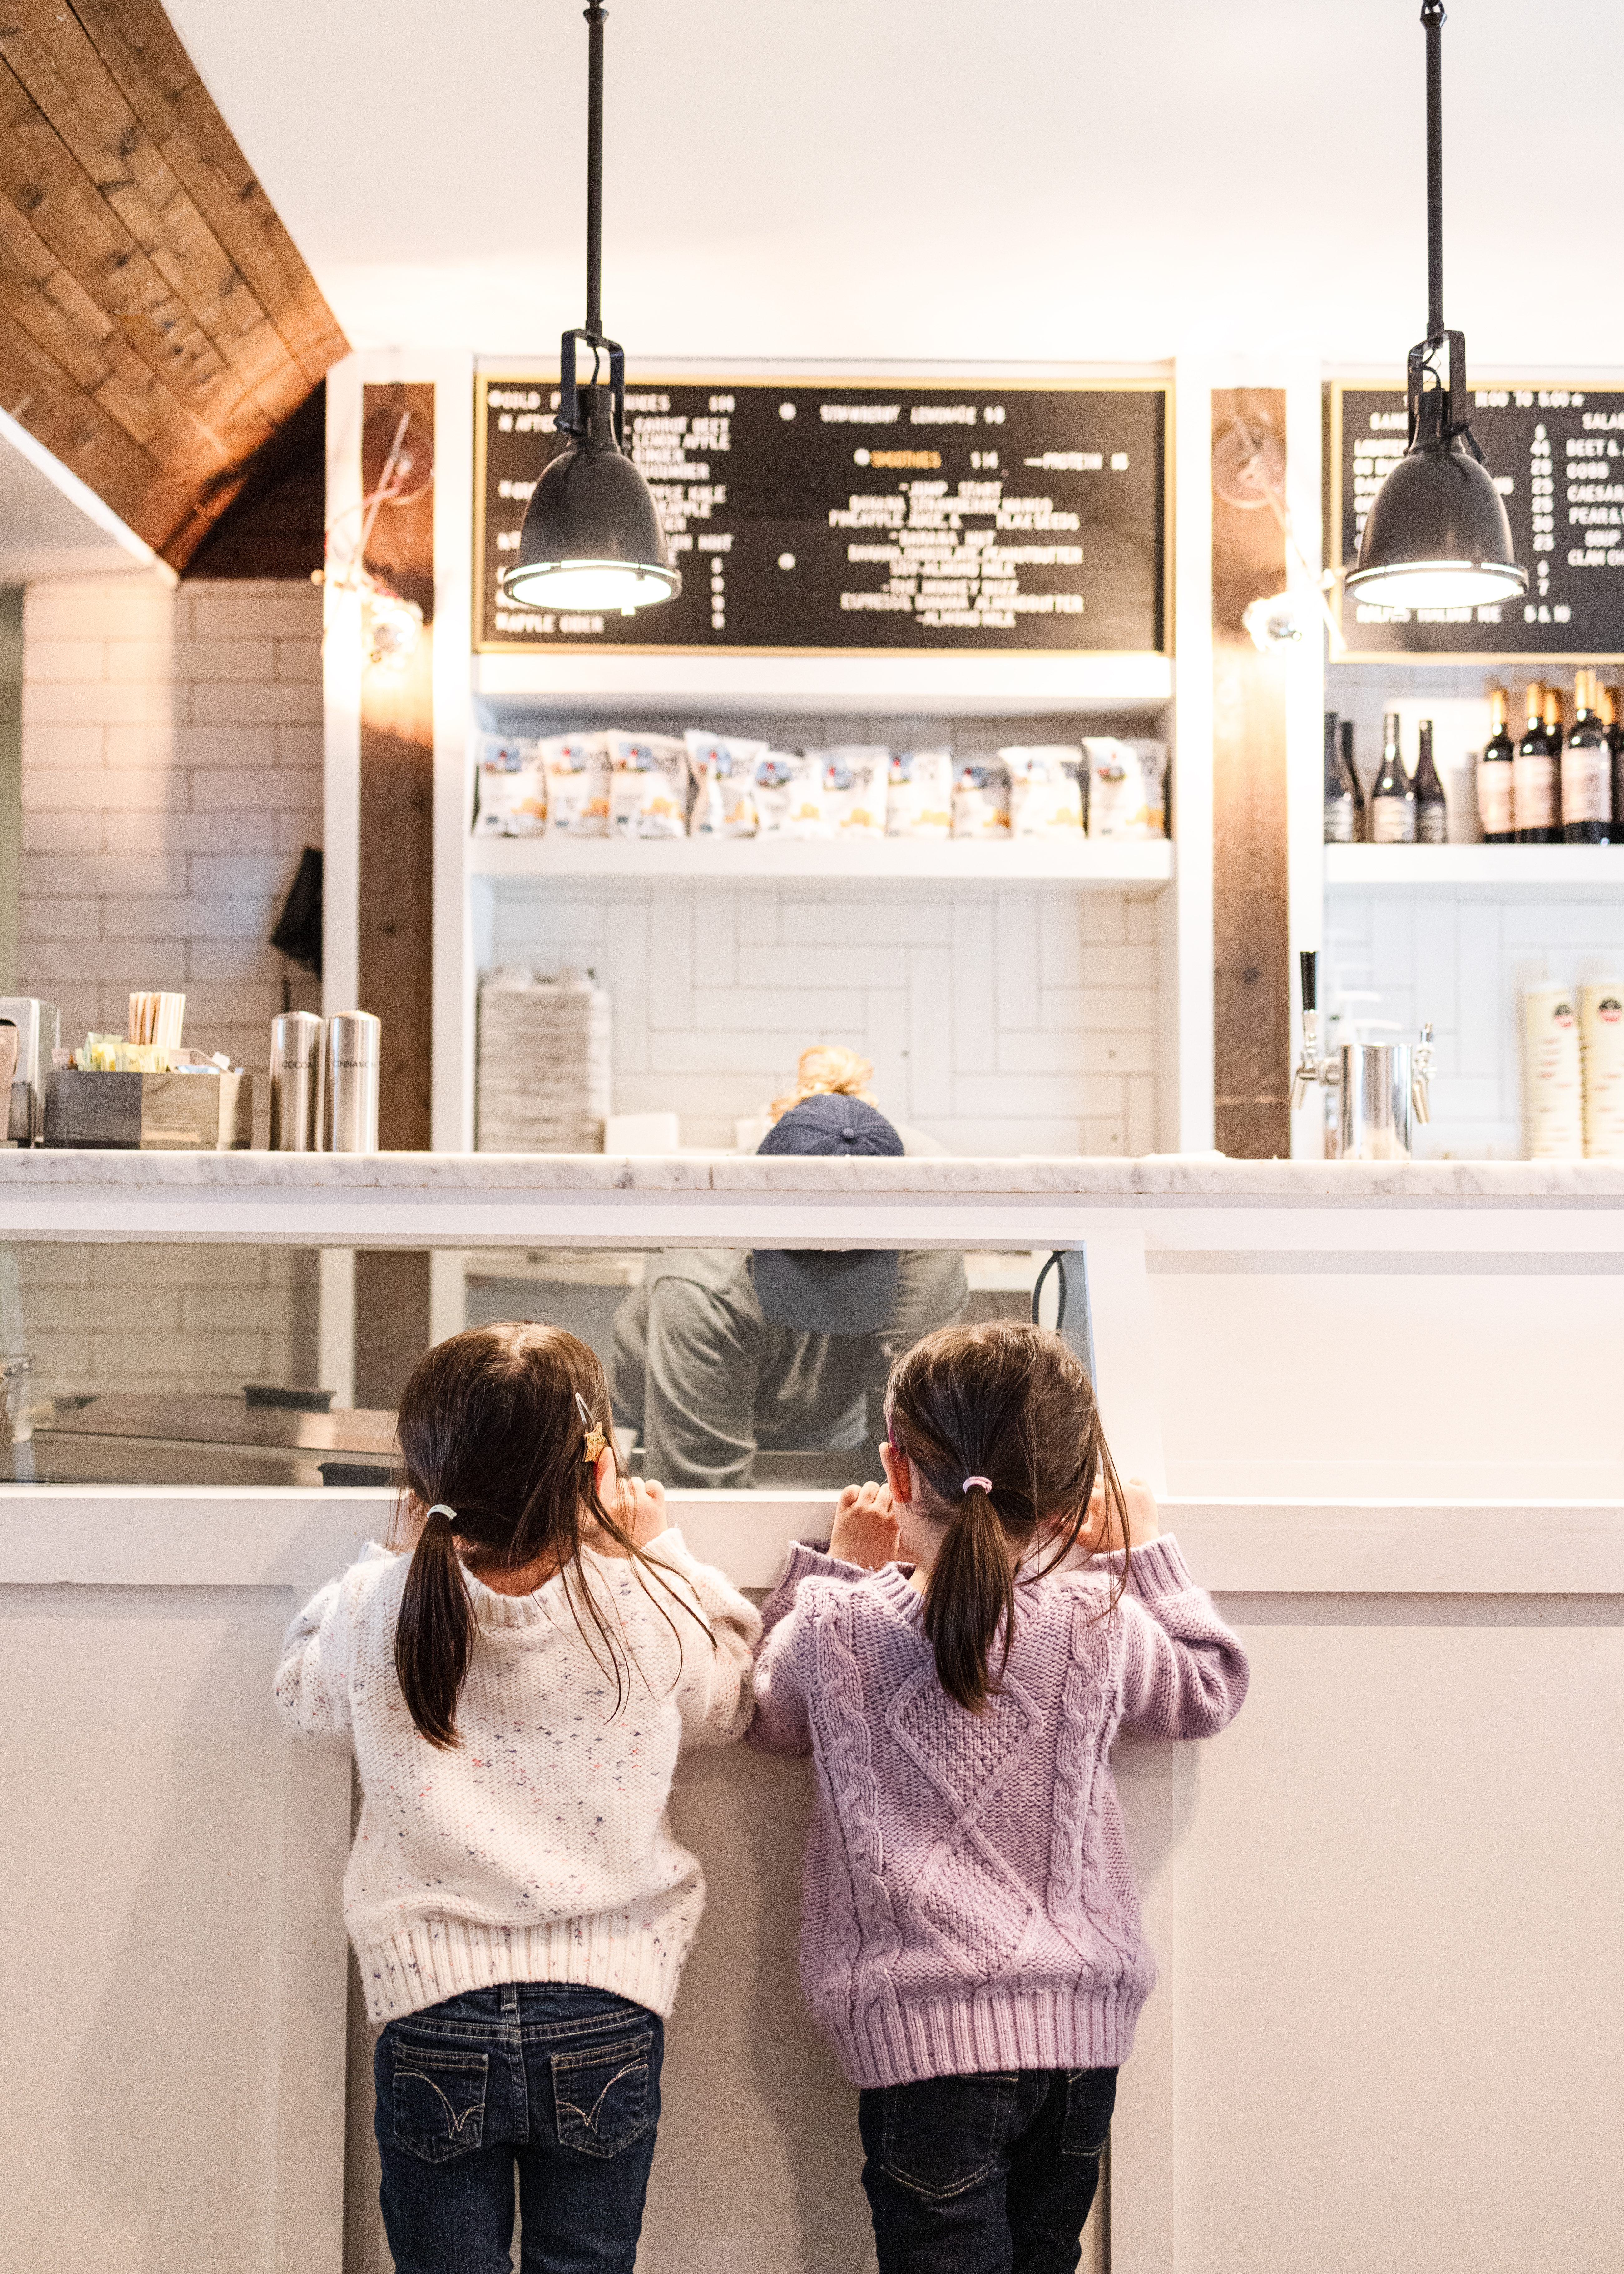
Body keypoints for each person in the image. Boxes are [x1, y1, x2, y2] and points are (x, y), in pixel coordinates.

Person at [748, 1319, 1249, 2274]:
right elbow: (1209, 1685)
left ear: (897, 1475)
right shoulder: (1098, 1620)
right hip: (1077, 2049)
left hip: (921, 2054)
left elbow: (765, 1717)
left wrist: (832, 1566)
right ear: (1068, 1494)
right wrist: (1145, 1552)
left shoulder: (837, 1623)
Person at [274, 1322, 759, 2274]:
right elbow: (731, 1698)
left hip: (432, 2009)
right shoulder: (644, 1602)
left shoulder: (386, 1603)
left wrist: (385, 1560)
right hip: (606, 2006)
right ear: (594, 1475)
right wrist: (663, 1553)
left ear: (424, 1480)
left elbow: (303, 1696)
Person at [611, 1050, 967, 1488]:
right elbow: (705, 1488)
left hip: (831, 1429)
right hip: (668, 1418)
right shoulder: (706, 1271)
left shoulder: (927, 1214)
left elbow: (906, 1456)